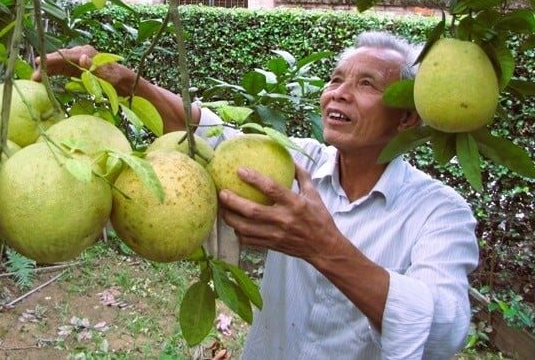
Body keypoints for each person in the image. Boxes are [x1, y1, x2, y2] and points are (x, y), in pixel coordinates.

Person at [33, 31, 479, 359]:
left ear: (405, 119)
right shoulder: (296, 161)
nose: (339, 93)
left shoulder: (439, 213)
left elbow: (443, 331)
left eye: (366, 85)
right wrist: (123, 79)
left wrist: (325, 248)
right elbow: (207, 134)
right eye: (336, 79)